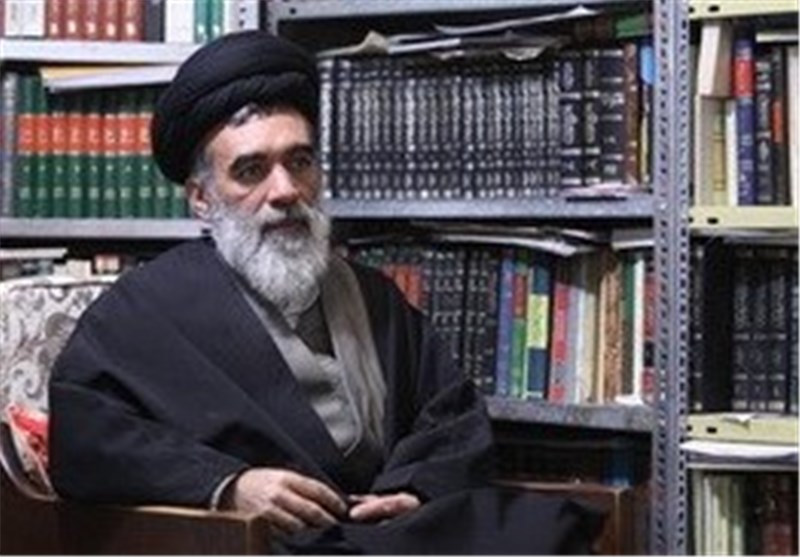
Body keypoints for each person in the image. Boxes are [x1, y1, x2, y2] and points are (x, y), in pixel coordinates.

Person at [48, 30, 603, 554]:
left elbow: (451, 417)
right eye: (251, 171)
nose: (286, 190)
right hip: (257, 544)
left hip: (383, 533)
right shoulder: (142, 312)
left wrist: (416, 488)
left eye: (300, 162)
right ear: (201, 198)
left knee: (547, 529)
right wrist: (228, 486)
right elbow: (87, 438)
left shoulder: (375, 296)